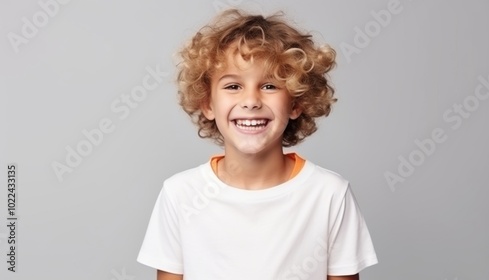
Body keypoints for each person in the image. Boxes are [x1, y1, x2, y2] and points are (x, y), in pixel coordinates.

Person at [137, 8, 378, 280]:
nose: (251, 101)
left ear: (296, 103)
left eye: (270, 86)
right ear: (207, 103)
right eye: (233, 86)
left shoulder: (330, 195)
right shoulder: (180, 195)